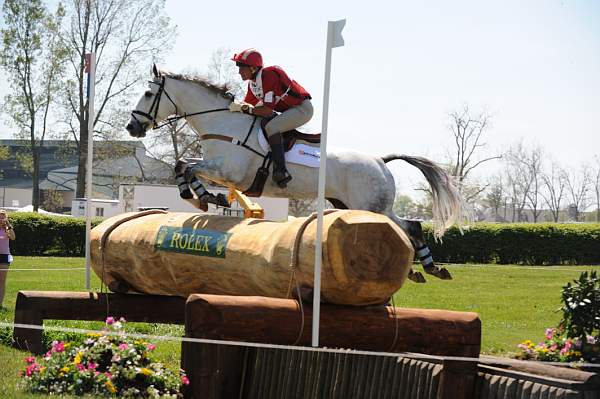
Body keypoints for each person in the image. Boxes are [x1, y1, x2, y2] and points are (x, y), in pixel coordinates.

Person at [229, 48, 313, 188]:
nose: (239, 71)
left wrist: (244, 108)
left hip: (302, 109)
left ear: (253, 68)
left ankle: (281, 171)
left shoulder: (268, 76)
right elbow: (248, 105)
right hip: (290, 110)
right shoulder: (253, 84)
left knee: (272, 127)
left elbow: (266, 110)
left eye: (241, 67)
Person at [0, 210, 15, 309]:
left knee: (2, 281)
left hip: (5, 256)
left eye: (3, 217)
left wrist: (8, 225)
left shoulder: (7, 229)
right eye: (0, 217)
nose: (1, 219)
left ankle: (0, 304)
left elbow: (13, 237)